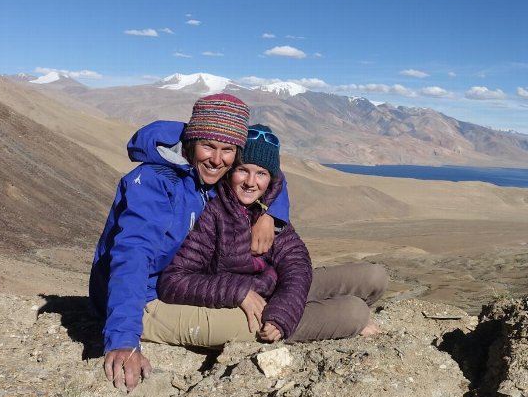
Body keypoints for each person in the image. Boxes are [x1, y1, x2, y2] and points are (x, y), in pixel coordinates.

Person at [88, 93, 290, 392]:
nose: (217, 159)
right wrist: (123, 339)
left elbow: (270, 174)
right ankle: (338, 319)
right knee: (261, 323)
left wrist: (269, 213)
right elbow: (133, 254)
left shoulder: (207, 173)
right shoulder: (156, 181)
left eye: (227, 150)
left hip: (185, 284)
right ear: (192, 142)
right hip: (147, 298)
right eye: (208, 146)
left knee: (278, 295)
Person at [159, 123, 388, 344]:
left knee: (375, 276)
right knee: (355, 313)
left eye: (261, 174)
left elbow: (296, 264)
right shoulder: (213, 214)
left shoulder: (267, 210)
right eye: (242, 170)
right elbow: (173, 281)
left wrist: (284, 312)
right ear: (229, 172)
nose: (251, 182)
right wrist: (238, 292)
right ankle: (337, 321)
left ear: (271, 180)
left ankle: (328, 318)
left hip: (273, 288)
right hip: (241, 303)